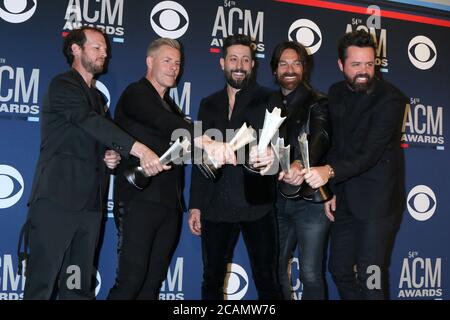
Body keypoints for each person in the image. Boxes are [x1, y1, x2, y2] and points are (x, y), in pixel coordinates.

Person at [20, 26, 169, 300]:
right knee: (40, 286)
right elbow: (87, 122)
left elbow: (96, 136)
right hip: (56, 204)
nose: (105, 53)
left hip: (89, 210)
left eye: (106, 48)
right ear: (75, 49)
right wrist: (138, 149)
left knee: (77, 288)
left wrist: (109, 157)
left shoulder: (99, 100)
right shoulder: (63, 85)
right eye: (97, 47)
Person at [107, 38, 235, 300]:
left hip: (169, 206)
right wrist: (208, 142)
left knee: (152, 286)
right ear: (149, 61)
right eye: (167, 61)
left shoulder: (173, 107)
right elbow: (162, 121)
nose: (173, 67)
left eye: (177, 63)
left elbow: (182, 138)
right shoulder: (136, 93)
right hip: (138, 202)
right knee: (130, 283)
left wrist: (239, 150)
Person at [304, 30, 406, 299]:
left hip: (378, 204)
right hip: (346, 198)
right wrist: (331, 190)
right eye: (356, 64)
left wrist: (328, 172)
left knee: (371, 278)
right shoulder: (336, 92)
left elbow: (369, 153)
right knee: (338, 269)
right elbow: (337, 144)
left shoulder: (391, 100)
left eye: (370, 64)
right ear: (341, 65)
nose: (364, 71)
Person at [188, 34, 281, 300]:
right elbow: (198, 154)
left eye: (245, 59)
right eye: (233, 59)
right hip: (216, 205)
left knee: (267, 280)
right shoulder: (208, 103)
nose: (239, 65)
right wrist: (196, 204)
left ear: (252, 64)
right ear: (222, 63)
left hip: (257, 205)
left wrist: (272, 154)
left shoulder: (269, 99)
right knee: (211, 280)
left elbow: (278, 148)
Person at [271, 41, 331, 300]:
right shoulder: (266, 104)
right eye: (283, 63)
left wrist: (300, 164)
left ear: (304, 68)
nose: (290, 69)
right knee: (274, 270)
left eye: (296, 62)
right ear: (275, 70)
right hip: (275, 201)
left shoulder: (319, 102)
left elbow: (320, 136)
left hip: (310, 202)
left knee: (309, 273)